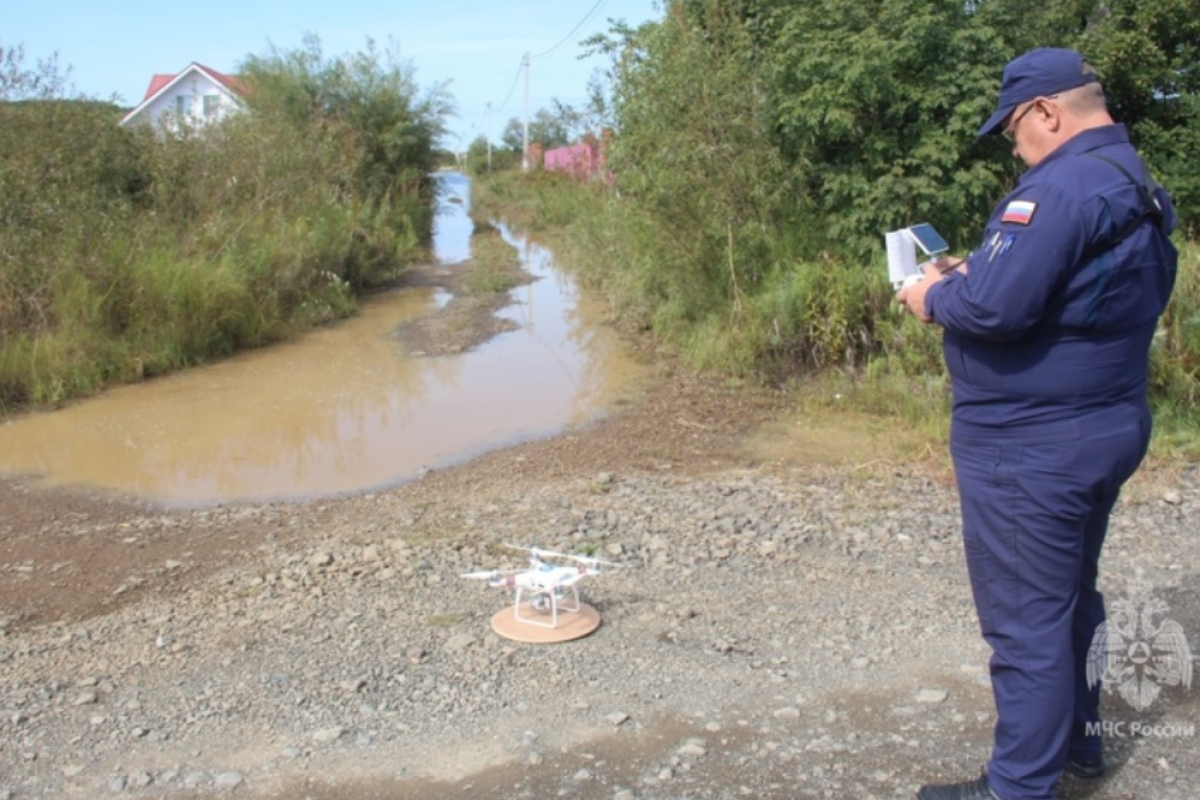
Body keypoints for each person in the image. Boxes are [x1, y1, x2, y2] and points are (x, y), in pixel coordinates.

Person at [897, 48, 1178, 800]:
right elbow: (1061, 293)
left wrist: (931, 296)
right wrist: (974, 275)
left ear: (1047, 112)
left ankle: (1018, 787)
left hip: (1031, 443)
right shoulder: (1133, 180)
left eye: (1014, 130)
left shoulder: (1057, 189)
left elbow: (993, 309)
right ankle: (1081, 747)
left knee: (1026, 622)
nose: (1013, 148)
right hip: (1105, 423)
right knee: (1070, 597)